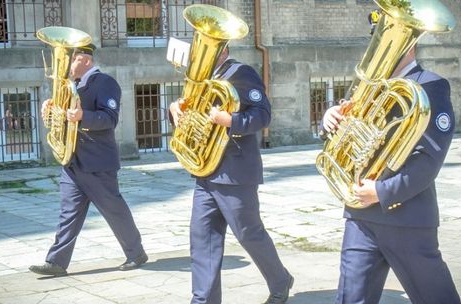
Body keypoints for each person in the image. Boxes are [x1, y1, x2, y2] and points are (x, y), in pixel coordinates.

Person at [321, 46, 461, 303]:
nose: (377, 49)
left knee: (435, 297)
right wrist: (331, 120)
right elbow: (346, 137)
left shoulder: (431, 85)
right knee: (351, 297)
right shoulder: (369, 84)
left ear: (408, 46)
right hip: (360, 214)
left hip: (406, 215)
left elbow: (430, 160)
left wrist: (381, 192)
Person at [169, 46, 294, 304]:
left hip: (235, 172)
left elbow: (262, 115)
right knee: (202, 238)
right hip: (206, 171)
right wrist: (175, 111)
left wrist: (231, 120)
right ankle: (203, 300)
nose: (198, 53)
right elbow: (192, 114)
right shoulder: (201, 79)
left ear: (222, 50)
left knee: (249, 234)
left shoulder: (241, 73)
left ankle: (280, 280)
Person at [29, 42, 147, 276]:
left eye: (71, 58)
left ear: (86, 60)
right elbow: (63, 118)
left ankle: (136, 253)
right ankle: (56, 262)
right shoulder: (70, 86)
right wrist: (50, 109)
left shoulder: (105, 83)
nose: (66, 64)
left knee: (114, 210)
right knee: (68, 213)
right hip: (72, 161)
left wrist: (83, 116)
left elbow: (109, 118)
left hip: (97, 163)